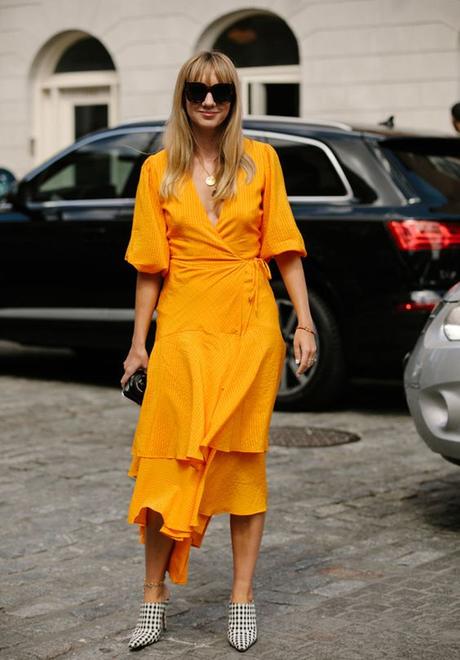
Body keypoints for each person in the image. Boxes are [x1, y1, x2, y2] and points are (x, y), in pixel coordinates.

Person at [120, 49, 317, 653]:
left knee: (239, 462)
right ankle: (153, 597)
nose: (209, 101)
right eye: (198, 91)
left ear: (235, 99)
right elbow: (150, 266)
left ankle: (241, 599)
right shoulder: (158, 170)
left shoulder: (262, 161)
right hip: (181, 327)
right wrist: (137, 345)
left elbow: (283, 245)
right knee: (165, 460)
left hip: (248, 324)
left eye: (222, 92)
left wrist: (304, 323)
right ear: (182, 98)